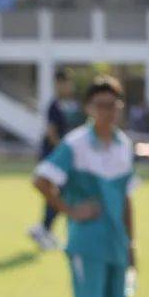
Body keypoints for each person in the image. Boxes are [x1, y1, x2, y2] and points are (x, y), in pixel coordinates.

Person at [33, 75, 138, 297]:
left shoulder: (123, 145)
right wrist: (70, 210)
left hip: (116, 242)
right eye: (101, 105)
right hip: (87, 243)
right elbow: (42, 179)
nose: (108, 111)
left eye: (114, 105)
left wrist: (131, 243)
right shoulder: (76, 144)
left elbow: (126, 198)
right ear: (90, 108)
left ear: (120, 108)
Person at [28, 69, 84, 252]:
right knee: (55, 193)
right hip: (53, 157)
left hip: (58, 156)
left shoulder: (67, 105)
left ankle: (45, 229)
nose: (68, 87)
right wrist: (64, 152)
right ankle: (43, 229)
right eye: (65, 83)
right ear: (58, 84)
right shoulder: (54, 106)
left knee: (57, 194)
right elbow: (51, 132)